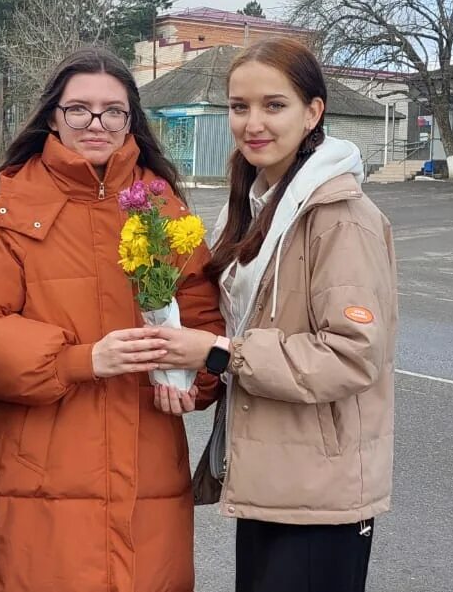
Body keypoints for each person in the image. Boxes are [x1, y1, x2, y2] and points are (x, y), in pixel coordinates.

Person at [0, 46, 225, 592]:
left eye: (112, 110)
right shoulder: (13, 209)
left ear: (130, 120)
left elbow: (206, 321)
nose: (96, 123)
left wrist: (193, 377)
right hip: (42, 472)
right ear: (54, 115)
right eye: (79, 109)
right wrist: (81, 359)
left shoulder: (164, 210)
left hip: (149, 466)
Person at [150, 38, 398, 592]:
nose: (253, 122)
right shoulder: (257, 206)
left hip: (321, 491)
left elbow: (352, 355)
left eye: (274, 105)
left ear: (314, 112)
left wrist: (220, 354)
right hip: (273, 478)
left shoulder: (340, 217)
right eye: (240, 107)